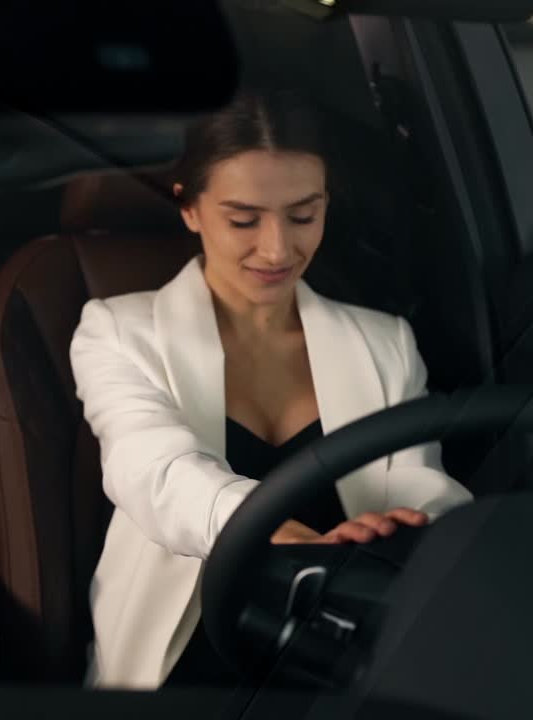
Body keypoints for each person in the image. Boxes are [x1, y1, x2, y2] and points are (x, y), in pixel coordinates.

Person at [70, 90, 474, 690]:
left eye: (304, 215)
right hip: (188, 655)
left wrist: (403, 526)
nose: (278, 249)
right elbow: (151, 470)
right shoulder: (118, 329)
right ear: (188, 208)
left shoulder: (384, 340)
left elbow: (420, 480)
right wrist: (275, 535)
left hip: (344, 641)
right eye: (243, 219)